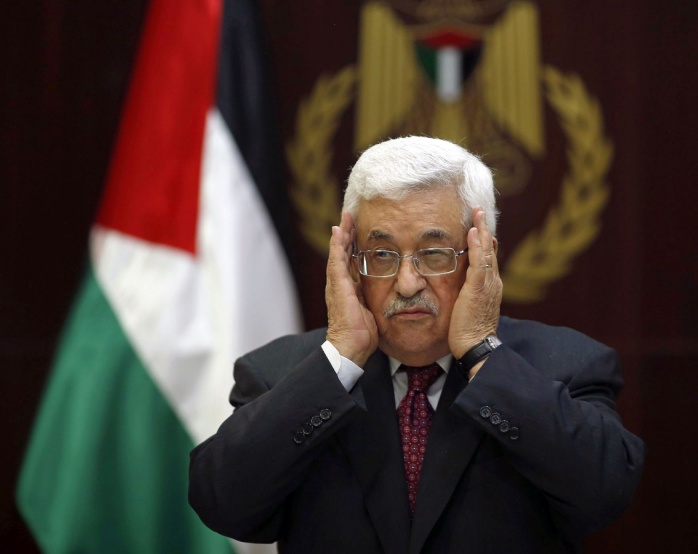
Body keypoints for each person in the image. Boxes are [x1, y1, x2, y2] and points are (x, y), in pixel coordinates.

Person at [189, 136, 645, 553]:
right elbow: (223, 504)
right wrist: (340, 360)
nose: (407, 283)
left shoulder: (564, 365)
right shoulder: (282, 372)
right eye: (382, 255)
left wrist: (481, 353)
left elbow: (603, 494)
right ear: (350, 262)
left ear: (482, 256)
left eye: (434, 253)